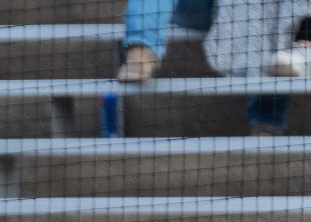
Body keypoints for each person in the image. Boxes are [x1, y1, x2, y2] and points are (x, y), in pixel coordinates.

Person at [115, 0, 293, 134]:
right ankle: (141, 51)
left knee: (273, 8)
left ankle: (267, 121)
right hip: (201, 7)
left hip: (248, 9)